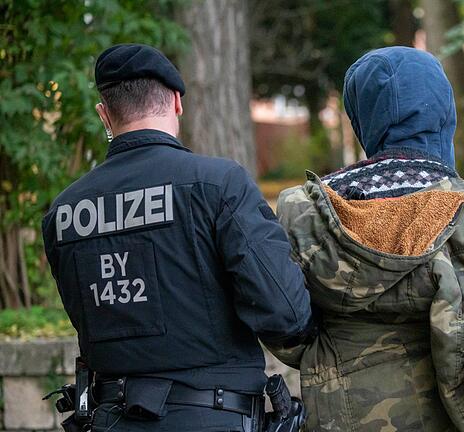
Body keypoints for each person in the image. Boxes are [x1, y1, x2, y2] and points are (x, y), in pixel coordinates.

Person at [41, 44, 314, 432]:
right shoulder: (218, 185)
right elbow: (286, 313)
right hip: (216, 418)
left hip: (108, 420)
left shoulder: (63, 212)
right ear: (176, 102)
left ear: (104, 113)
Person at [267, 46, 464, 431]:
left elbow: (283, 324)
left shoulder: (305, 214)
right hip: (458, 417)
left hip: (342, 415)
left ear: (361, 115)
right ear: (442, 112)